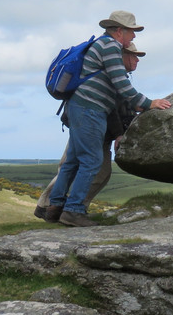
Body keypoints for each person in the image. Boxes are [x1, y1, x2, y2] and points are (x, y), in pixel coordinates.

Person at [46, 11, 170, 227]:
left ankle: (54, 207)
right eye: (132, 32)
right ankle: (73, 211)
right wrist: (149, 103)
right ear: (120, 30)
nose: (133, 37)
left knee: (73, 161)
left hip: (79, 106)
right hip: (90, 109)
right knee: (91, 161)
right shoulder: (110, 46)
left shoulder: (101, 45)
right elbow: (121, 83)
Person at [35, 41, 145, 221]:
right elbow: (110, 108)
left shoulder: (110, 73)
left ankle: (54, 207)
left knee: (72, 165)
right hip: (91, 124)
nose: (137, 61)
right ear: (121, 55)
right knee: (90, 165)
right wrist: (120, 131)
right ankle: (69, 210)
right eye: (134, 56)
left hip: (86, 121)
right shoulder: (112, 74)